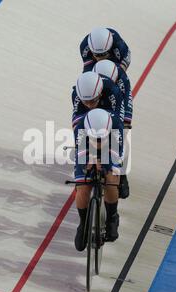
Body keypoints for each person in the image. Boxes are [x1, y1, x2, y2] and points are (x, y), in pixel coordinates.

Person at [71, 72, 125, 251]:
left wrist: (107, 164)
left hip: (111, 141)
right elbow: (80, 151)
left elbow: (117, 153)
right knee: (83, 186)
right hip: (87, 139)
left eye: (92, 100)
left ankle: (112, 217)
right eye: (86, 102)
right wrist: (90, 161)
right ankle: (82, 223)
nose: (89, 104)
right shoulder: (80, 126)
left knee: (112, 179)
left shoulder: (115, 123)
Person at [93, 60, 132, 199]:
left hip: (117, 105)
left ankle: (122, 173)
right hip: (97, 102)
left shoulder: (121, 82)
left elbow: (120, 117)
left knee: (122, 132)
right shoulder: (91, 78)